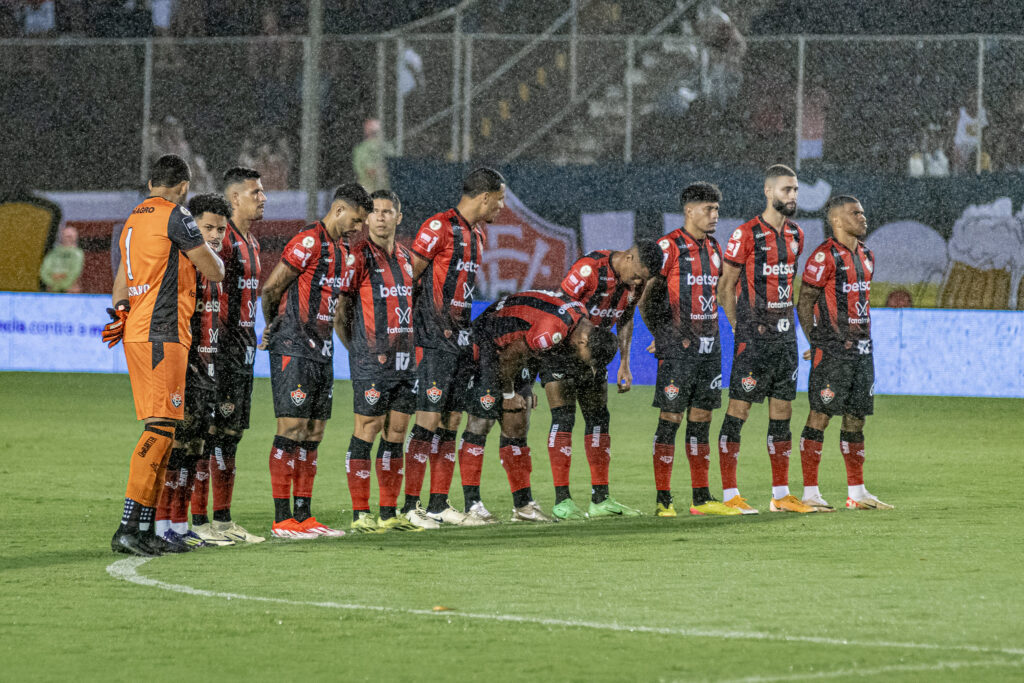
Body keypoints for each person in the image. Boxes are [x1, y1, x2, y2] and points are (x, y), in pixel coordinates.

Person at [105, 154, 225, 556]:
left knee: (167, 431)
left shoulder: (131, 221)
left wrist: (124, 313)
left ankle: (143, 528)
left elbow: (121, 283)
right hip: (163, 334)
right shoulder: (177, 215)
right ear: (184, 186)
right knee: (159, 430)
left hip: (139, 332)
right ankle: (127, 525)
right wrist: (216, 258)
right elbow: (212, 269)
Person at [258, 182, 372, 539]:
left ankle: (304, 516)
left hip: (322, 349)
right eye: (356, 219)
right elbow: (272, 288)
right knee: (290, 428)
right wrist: (274, 327)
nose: (358, 228)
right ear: (339, 210)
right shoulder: (309, 241)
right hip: (294, 346)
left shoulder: (342, 250)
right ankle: (281, 519)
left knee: (314, 432)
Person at [400, 167, 505, 527]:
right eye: (500, 199)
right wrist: (408, 328)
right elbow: (408, 279)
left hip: (460, 339)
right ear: (486, 196)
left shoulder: (478, 234)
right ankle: (409, 507)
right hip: (431, 337)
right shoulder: (438, 227)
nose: (502, 206)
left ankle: (439, 504)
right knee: (427, 420)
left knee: (451, 420)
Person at [467, 290, 619, 521]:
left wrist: (526, 384)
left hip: (516, 345)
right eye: (586, 357)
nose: (583, 361)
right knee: (482, 422)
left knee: (517, 421)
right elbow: (509, 357)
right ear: (584, 340)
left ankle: (523, 507)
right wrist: (508, 393)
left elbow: (532, 345)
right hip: (488, 341)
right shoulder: (553, 330)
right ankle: (472, 505)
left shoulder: (580, 319)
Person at [716, 164, 815, 514]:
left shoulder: (796, 235)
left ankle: (781, 495)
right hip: (753, 339)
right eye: (786, 190)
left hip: (785, 340)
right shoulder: (745, 234)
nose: (793, 196)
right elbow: (725, 287)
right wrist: (737, 326)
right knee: (738, 411)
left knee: (782, 413)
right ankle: (730, 496)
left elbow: (789, 285)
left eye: (796, 190)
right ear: (768, 191)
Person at [538, 241, 660, 521]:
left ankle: (600, 499)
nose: (639, 282)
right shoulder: (589, 270)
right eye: (638, 274)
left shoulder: (635, 283)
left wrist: (625, 364)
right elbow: (559, 309)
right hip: (563, 352)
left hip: (595, 356)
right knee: (564, 418)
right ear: (629, 257)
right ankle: (562, 501)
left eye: (644, 279)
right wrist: (570, 352)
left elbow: (626, 319)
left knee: (598, 419)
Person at [642, 182, 739, 517]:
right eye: (708, 209)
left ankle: (701, 498)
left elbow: (722, 291)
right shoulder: (667, 247)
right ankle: (663, 499)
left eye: (716, 209)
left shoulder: (714, 247)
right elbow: (646, 295)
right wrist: (660, 333)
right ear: (688, 210)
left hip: (710, 347)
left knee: (702, 419)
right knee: (671, 417)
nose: (714, 215)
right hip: (679, 348)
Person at [334, 189, 423, 532]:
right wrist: (357, 349)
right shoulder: (357, 257)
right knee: (367, 431)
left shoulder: (405, 258)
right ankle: (360, 513)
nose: (382, 217)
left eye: (389, 212)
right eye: (376, 212)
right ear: (367, 218)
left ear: (399, 218)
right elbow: (342, 312)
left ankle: (389, 513)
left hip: (405, 360)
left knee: (397, 434)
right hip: (372, 360)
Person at [797, 196, 893, 511]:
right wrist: (816, 342)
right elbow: (804, 302)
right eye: (855, 213)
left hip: (863, 351)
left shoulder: (866, 256)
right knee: (820, 416)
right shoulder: (824, 257)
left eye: (863, 212)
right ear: (837, 220)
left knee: (856, 419)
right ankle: (810, 493)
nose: (863, 218)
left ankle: (858, 493)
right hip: (834, 351)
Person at [153, 193, 234, 549]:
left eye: (220, 229)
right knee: (174, 448)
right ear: (192, 226)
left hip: (207, 370)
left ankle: (179, 524)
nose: (215, 235)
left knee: (195, 449)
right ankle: (158, 526)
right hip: (182, 368)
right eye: (208, 227)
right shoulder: (185, 264)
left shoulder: (215, 267)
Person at [193, 166, 267, 544]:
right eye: (255, 192)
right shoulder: (223, 243)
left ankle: (222, 521)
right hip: (220, 351)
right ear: (235, 197)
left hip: (244, 350)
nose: (263, 198)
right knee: (210, 436)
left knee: (231, 435)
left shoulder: (251, 243)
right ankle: (201, 520)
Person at [39, 225, 84, 292]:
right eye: (66, 236)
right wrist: (52, 283)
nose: (68, 239)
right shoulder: (53, 252)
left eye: (70, 236)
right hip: (52, 289)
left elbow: (75, 272)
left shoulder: (78, 254)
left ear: (75, 238)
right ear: (61, 237)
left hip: (69, 290)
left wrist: (61, 285)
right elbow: (44, 271)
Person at [352, 118, 390, 193]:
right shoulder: (388, 147)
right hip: (382, 193)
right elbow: (371, 171)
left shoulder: (361, 149)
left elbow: (369, 171)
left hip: (368, 193)